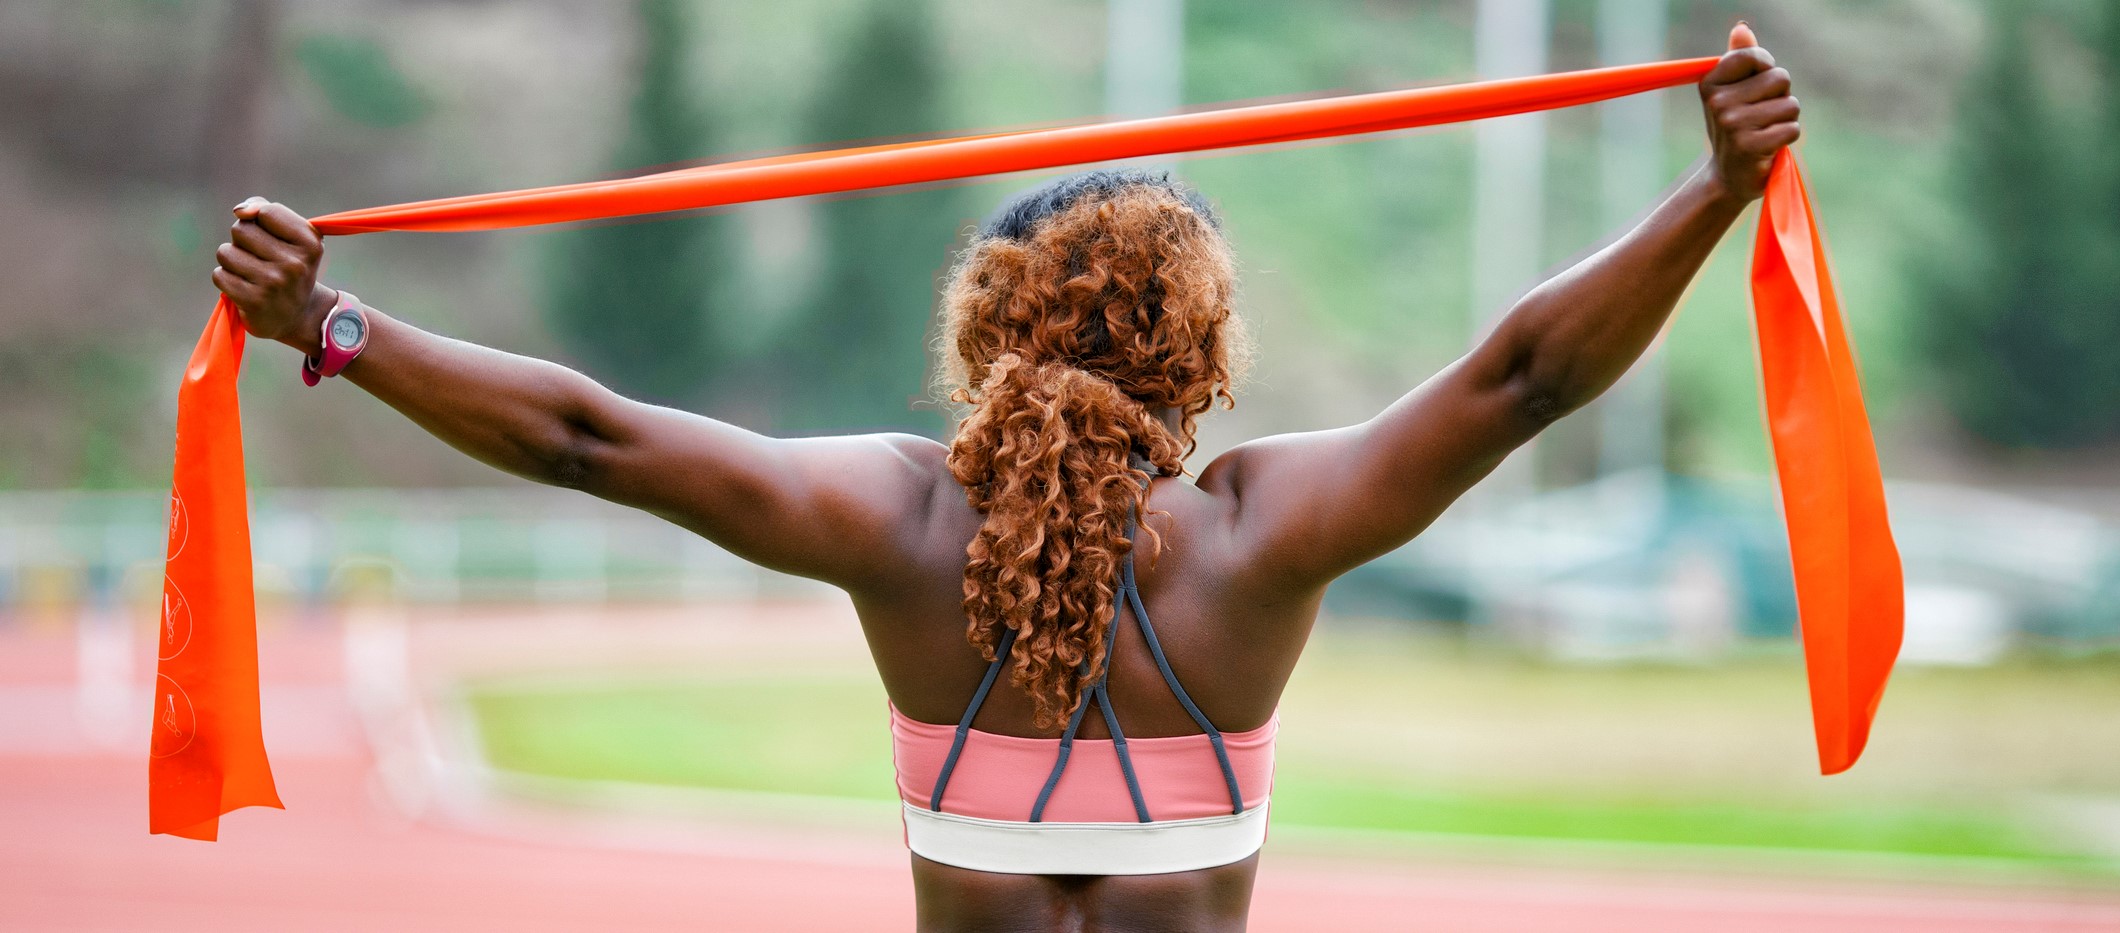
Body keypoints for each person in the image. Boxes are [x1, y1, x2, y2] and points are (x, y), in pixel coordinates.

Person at [210, 28, 1799, 933]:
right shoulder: (1258, 531)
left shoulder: (904, 520)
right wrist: (1714, 188)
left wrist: (337, 323)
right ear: (1198, 337)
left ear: (987, 324)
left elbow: (586, 437)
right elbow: (1524, 380)